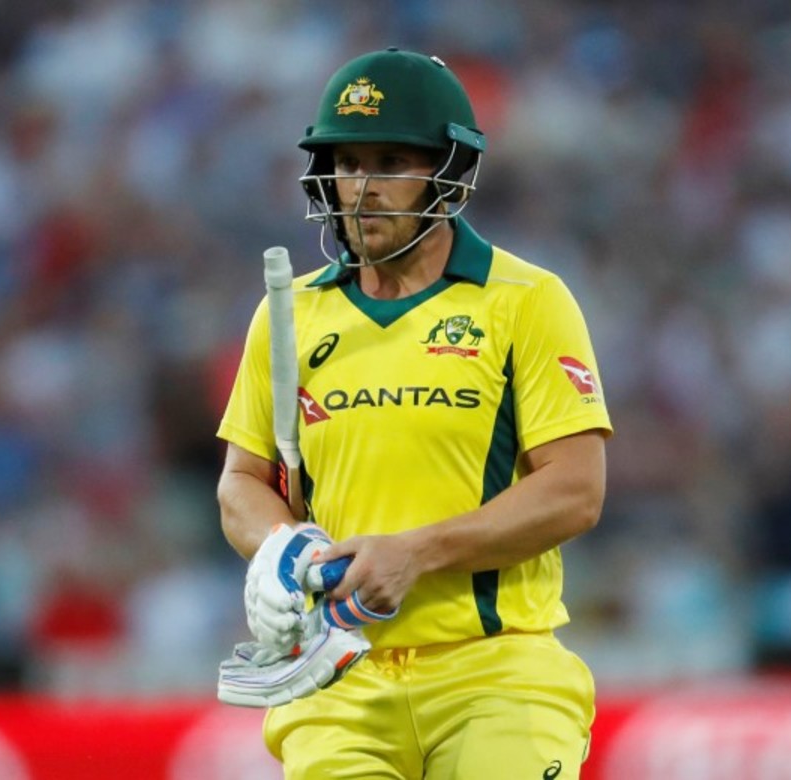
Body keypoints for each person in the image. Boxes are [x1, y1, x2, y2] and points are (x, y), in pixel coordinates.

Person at [216, 47, 612, 779]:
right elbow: (242, 482)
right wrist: (281, 549)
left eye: (391, 162)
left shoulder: (526, 300)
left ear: (450, 172)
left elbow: (576, 490)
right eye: (347, 163)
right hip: (336, 678)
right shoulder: (287, 314)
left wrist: (416, 553)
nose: (362, 189)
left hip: (496, 672)